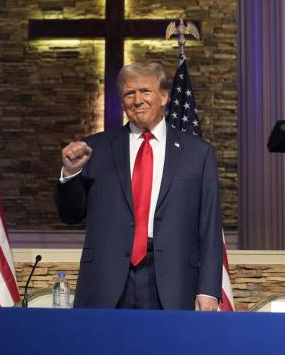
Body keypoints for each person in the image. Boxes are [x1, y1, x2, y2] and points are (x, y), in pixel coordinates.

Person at [56, 61, 222, 310]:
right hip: (106, 280)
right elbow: (70, 215)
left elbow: (209, 227)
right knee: (104, 350)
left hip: (173, 280)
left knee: (166, 350)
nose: (137, 100)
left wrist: (208, 289)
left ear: (164, 96)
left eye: (145, 91)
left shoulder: (199, 153)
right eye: (129, 93)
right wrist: (70, 172)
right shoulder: (95, 149)